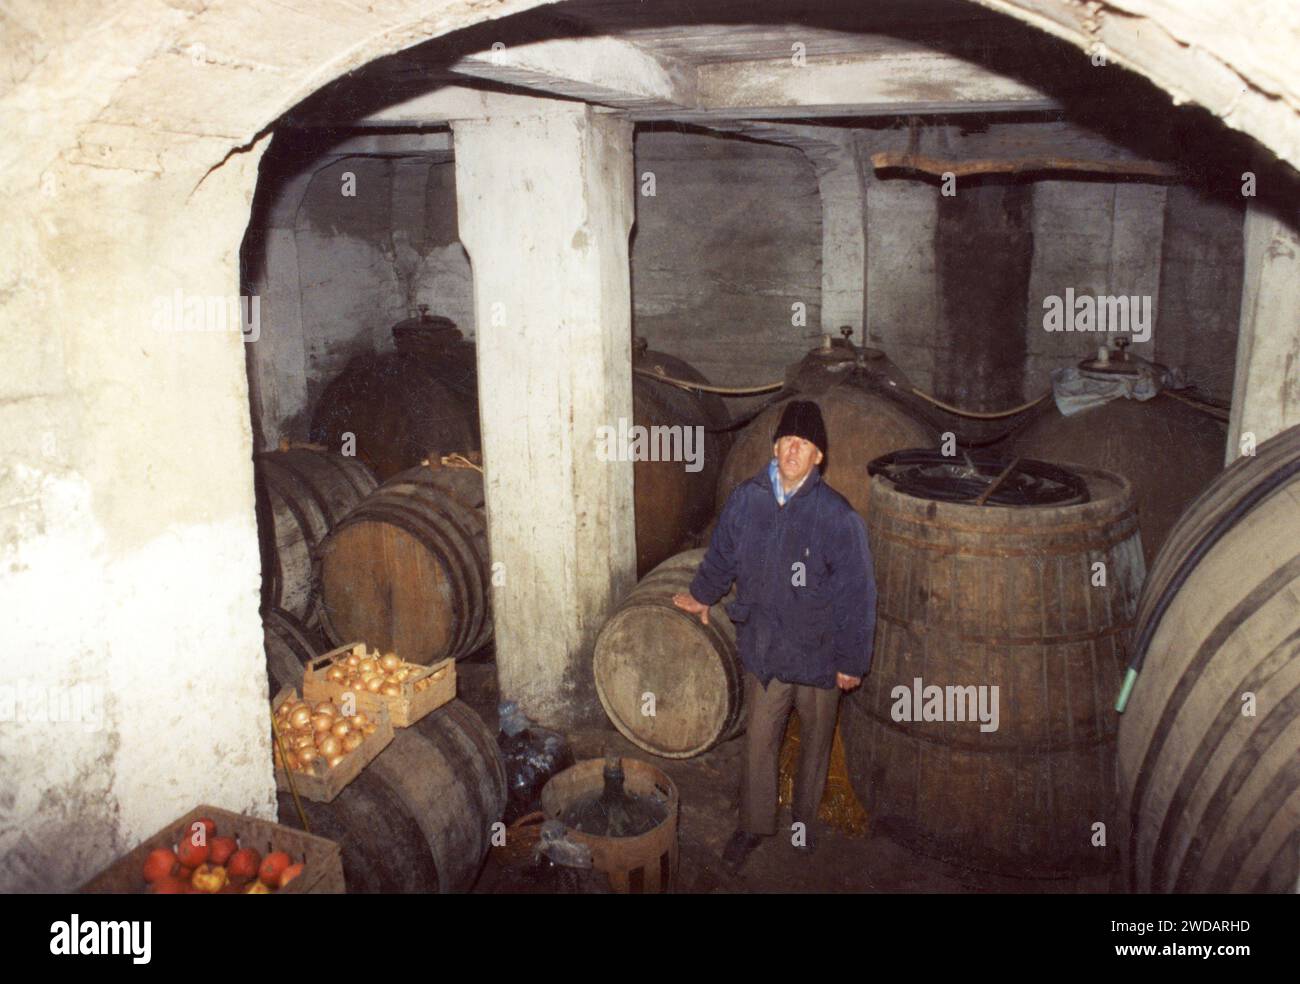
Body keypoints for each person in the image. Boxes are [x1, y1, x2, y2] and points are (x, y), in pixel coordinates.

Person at [673, 399, 876, 871]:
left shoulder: (837, 517)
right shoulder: (747, 499)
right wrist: (703, 595)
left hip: (820, 655)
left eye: (804, 444)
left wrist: (852, 660)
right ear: (775, 446)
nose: (793, 450)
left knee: (815, 741)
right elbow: (721, 553)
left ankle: (804, 822)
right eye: (787, 440)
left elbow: (858, 595)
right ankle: (753, 824)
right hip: (765, 648)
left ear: (818, 456)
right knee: (759, 739)